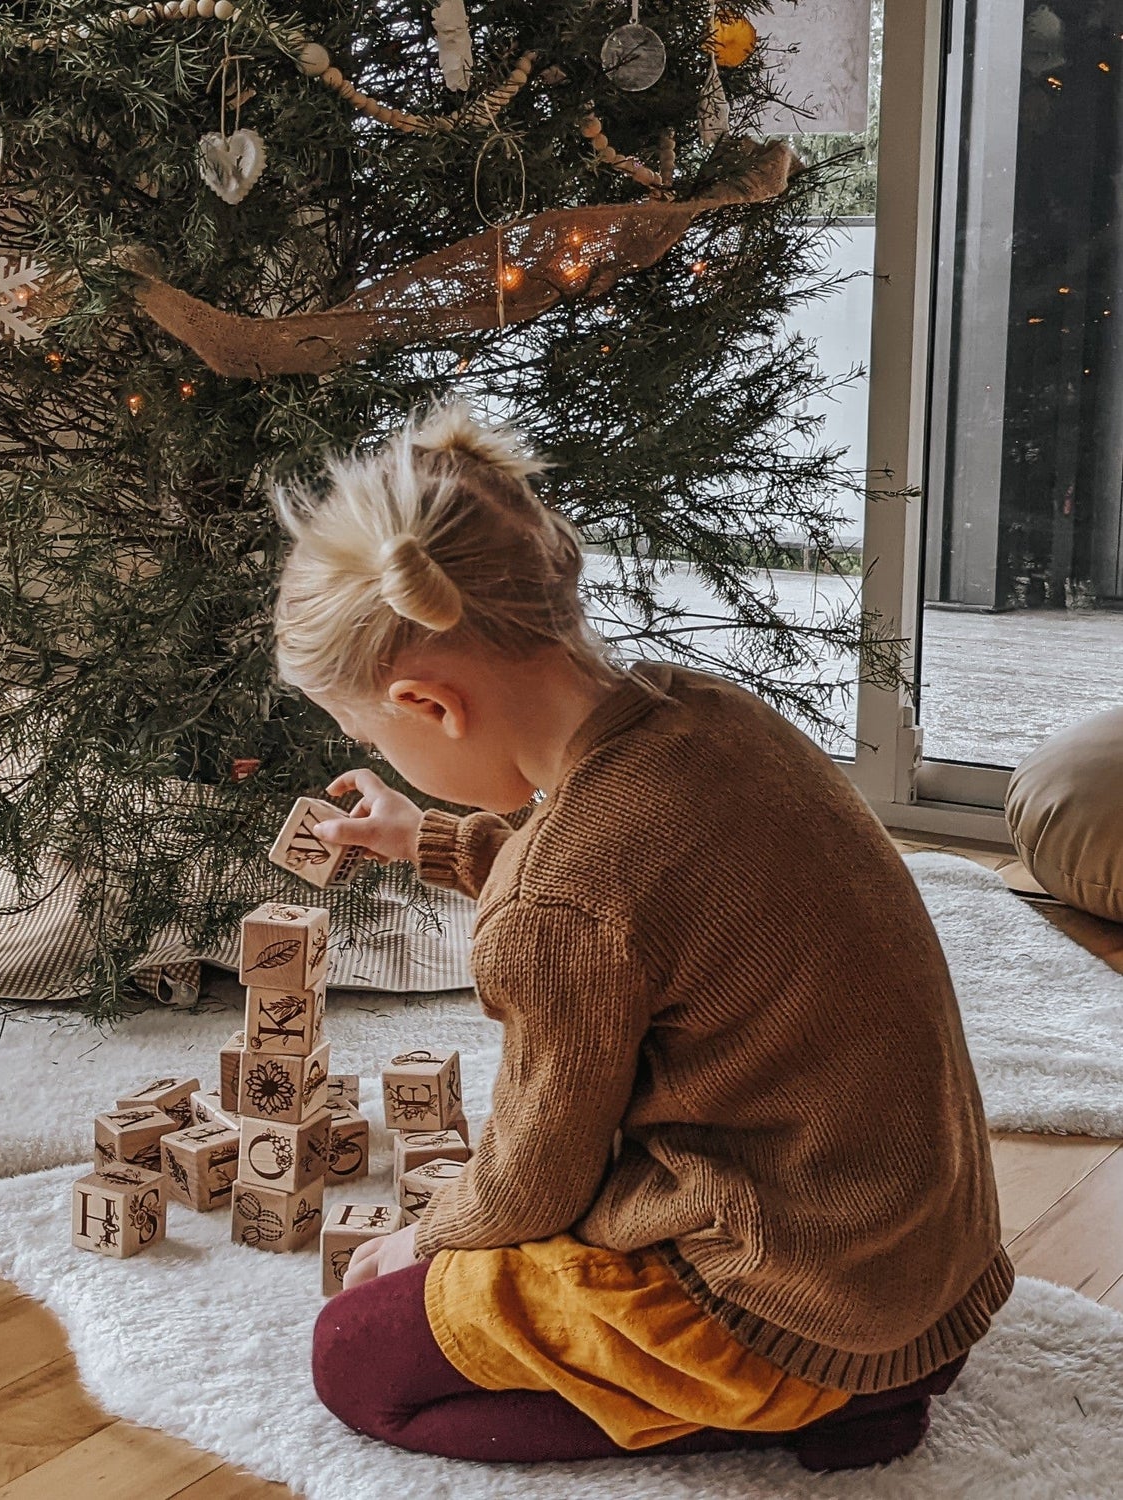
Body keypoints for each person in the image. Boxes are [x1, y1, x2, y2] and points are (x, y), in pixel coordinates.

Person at [271, 403, 1011, 1472]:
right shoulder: (705, 713)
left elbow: (536, 1178)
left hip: (789, 1302)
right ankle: (851, 1382)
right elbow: (627, 904)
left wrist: (422, 1242)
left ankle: (807, 1404)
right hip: (930, 1269)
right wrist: (426, 838)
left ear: (429, 704)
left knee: (358, 1355)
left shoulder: (566, 890)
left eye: (367, 733)